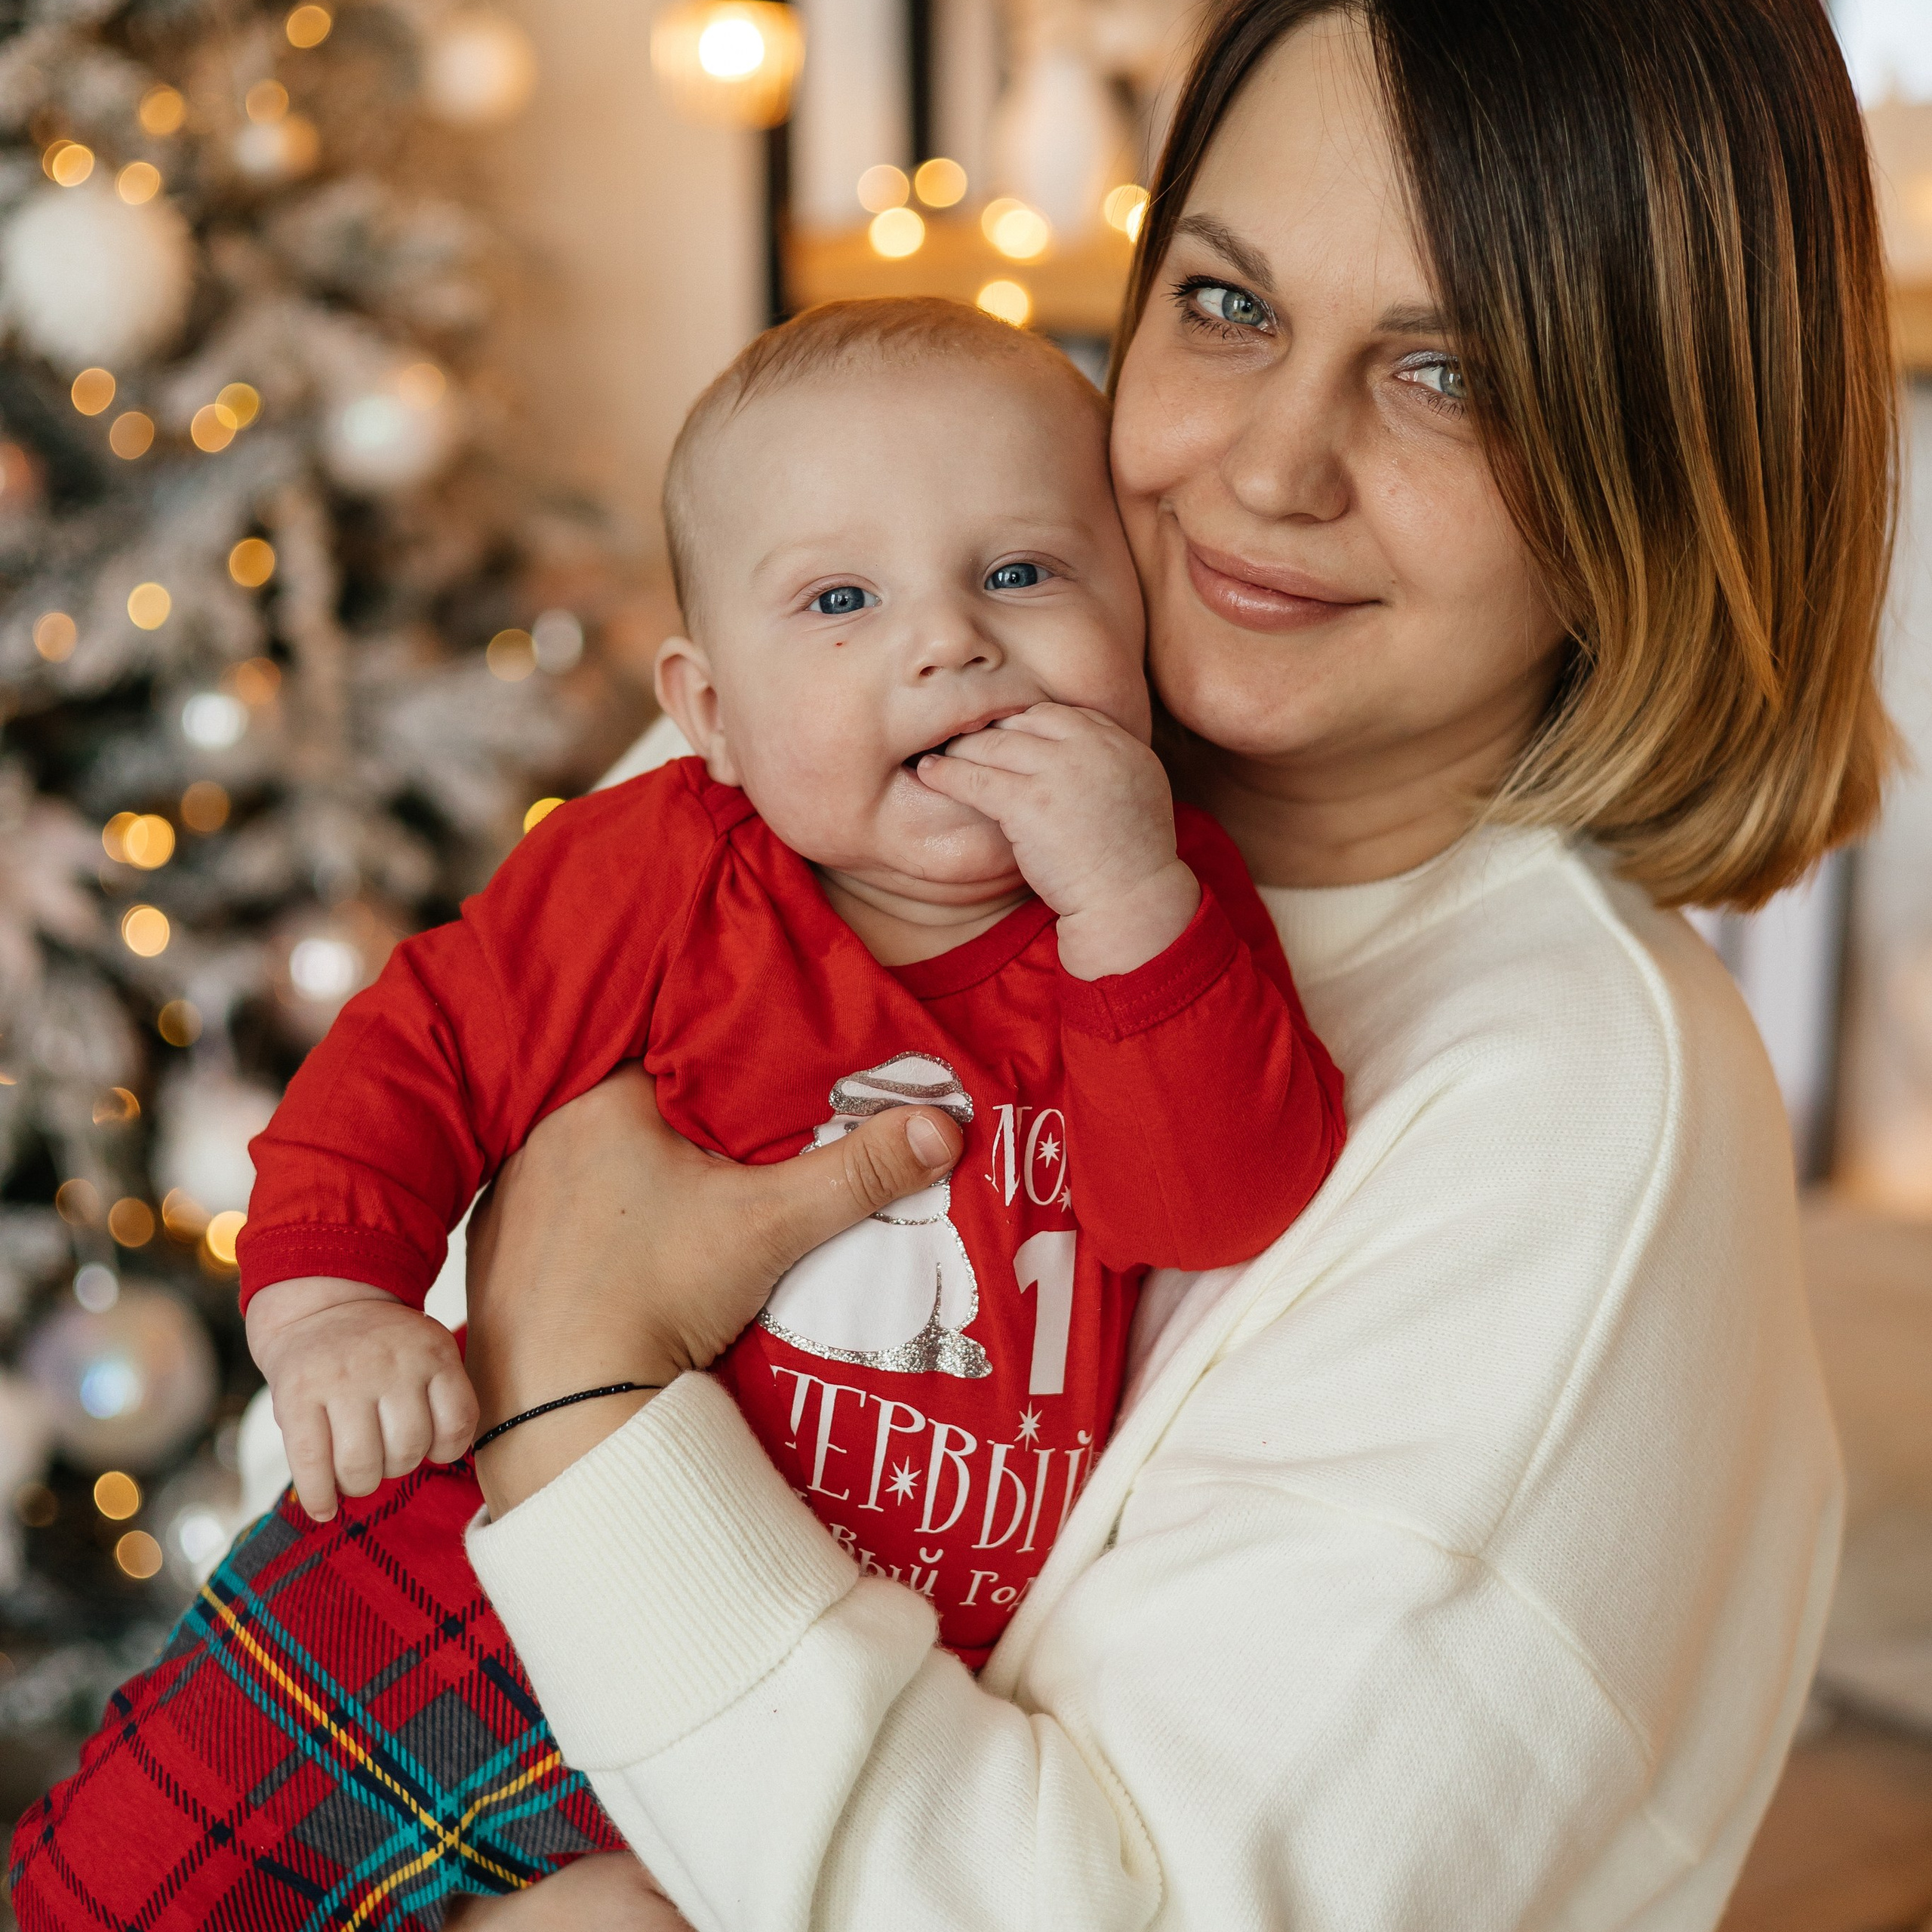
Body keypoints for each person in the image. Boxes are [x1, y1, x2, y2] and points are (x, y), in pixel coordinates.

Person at [11, 0, 1895, 1921]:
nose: (1270, 466)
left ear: (1673, 459)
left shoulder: (1573, 1123)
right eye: (1226, 304)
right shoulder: (855, 737)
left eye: (1445, 374)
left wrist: (582, 1368)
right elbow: (416, 1183)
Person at [7, 306, 1342, 1927]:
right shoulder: (668, 866)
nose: (949, 642)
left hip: (772, 1698)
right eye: (840, 600)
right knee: (125, 1887)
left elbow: (1215, 1206)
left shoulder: (1160, 923)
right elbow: (420, 1051)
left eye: (1021, 573)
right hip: (452, 1583)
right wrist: (331, 1306)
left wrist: (1127, 894)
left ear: (1134, 627)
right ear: (709, 708)